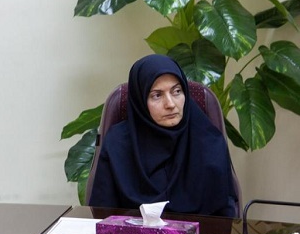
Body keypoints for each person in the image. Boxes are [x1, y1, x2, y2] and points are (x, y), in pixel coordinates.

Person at [88, 54, 238, 217]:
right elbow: (102, 214)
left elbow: (224, 216)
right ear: (140, 100)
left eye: (177, 91)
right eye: (157, 95)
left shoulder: (209, 142)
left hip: (202, 233)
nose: (170, 104)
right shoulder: (117, 144)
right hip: (130, 233)